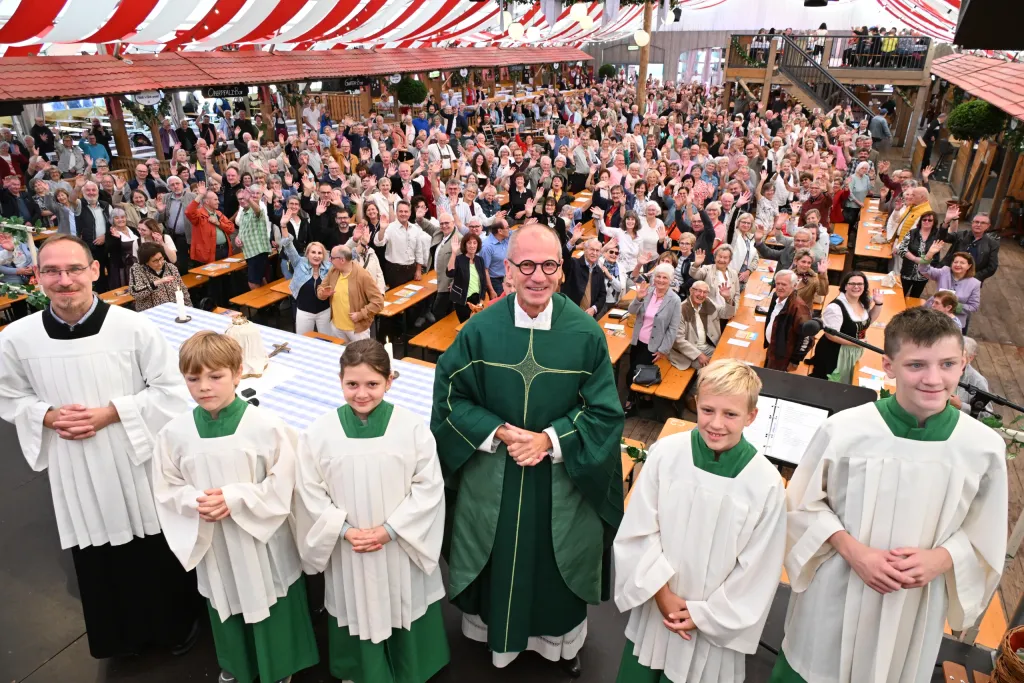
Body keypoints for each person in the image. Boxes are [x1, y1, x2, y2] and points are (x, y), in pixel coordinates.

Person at [770, 307, 1007, 683]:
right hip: (838, 583)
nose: (933, 379)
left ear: (963, 365)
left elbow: (986, 533)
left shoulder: (982, 447)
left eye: (947, 364)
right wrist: (854, 551)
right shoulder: (846, 431)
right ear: (888, 365)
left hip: (913, 601)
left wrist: (943, 558)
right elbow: (801, 506)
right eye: (916, 365)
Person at [430, 223, 625, 677]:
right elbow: (450, 397)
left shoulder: (586, 334)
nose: (539, 276)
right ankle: (493, 636)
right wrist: (497, 431)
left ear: (562, 270)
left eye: (549, 266)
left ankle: (558, 644)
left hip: (561, 478)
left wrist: (548, 440)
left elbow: (604, 413)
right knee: (495, 555)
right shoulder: (479, 330)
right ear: (509, 269)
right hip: (492, 474)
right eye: (527, 266)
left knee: (554, 566)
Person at [0, 234, 200, 659]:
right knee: (96, 551)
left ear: (94, 271)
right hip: (73, 462)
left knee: (150, 545)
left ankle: (172, 626)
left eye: (74, 269)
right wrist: (48, 416)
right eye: (52, 271)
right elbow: (8, 396)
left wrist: (112, 412)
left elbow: (170, 391)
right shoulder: (17, 338)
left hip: (132, 457)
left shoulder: (133, 327)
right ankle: (116, 638)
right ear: (37, 278)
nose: (64, 279)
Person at [153, 331, 319, 683]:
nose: (204, 387)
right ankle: (237, 664)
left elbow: (286, 483)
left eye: (216, 376)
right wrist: (195, 502)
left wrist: (233, 499)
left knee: (271, 592)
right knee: (223, 593)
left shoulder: (267, 427)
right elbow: (167, 487)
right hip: (215, 539)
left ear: (238, 373)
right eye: (193, 378)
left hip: (261, 537)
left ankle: (279, 667)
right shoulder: (174, 434)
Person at [614, 359, 786, 683]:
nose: (715, 423)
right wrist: (661, 593)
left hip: (712, 625)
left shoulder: (765, 483)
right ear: (696, 405)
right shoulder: (667, 453)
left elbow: (758, 568)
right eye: (707, 410)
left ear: (751, 416)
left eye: (730, 414)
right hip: (657, 608)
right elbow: (640, 528)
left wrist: (703, 615)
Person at [295, 339, 450, 683]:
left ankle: (411, 667)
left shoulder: (411, 429)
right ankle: (362, 669)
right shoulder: (319, 433)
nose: (361, 393)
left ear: (389, 381)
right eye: (352, 384)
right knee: (356, 604)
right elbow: (309, 490)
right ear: (339, 380)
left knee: (403, 598)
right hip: (349, 546)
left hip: (396, 544)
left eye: (372, 384)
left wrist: (389, 531)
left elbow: (429, 488)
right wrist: (345, 530)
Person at [808, 271, 884, 383]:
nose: (856, 287)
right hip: (835, 353)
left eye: (860, 284)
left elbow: (867, 322)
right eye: (852, 284)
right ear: (845, 286)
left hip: (853, 351)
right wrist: (857, 343)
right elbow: (831, 335)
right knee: (832, 382)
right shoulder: (835, 308)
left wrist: (878, 304)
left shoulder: (862, 302)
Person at [626, 264, 682, 412]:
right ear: (654, 278)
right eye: (658, 276)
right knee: (637, 372)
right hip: (637, 341)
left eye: (665, 277)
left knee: (633, 374)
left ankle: (630, 403)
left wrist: (664, 349)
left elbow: (673, 328)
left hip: (653, 346)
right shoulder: (647, 292)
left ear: (670, 280)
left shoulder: (674, 300)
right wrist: (638, 298)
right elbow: (631, 311)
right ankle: (643, 400)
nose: (661, 280)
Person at [316, 244, 385, 342]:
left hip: (357, 330)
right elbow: (320, 288)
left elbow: (378, 302)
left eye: (332, 258)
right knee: (340, 356)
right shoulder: (333, 271)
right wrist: (323, 294)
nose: (329, 260)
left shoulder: (363, 275)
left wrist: (361, 314)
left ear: (342, 260)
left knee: (361, 357)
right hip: (336, 328)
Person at [669, 279, 735, 370]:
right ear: (691, 290)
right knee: (714, 370)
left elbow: (727, 314)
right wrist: (699, 355)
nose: (701, 295)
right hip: (689, 353)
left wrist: (727, 299)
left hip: (707, 347)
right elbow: (678, 340)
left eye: (705, 292)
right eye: (699, 291)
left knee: (731, 362)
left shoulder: (707, 302)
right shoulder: (680, 309)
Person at [280, 228, 332, 335]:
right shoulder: (299, 263)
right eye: (313, 252)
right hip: (304, 312)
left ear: (323, 256)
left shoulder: (329, 267)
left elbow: (345, 256)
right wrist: (284, 226)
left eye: (319, 253)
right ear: (307, 254)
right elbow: (288, 245)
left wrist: (357, 241)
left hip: (325, 311)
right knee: (303, 340)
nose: (316, 256)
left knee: (327, 342)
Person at [919, 245, 981, 330]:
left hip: (952, 324)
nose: (957, 265)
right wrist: (929, 254)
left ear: (969, 266)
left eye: (962, 263)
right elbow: (924, 270)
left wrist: (950, 306)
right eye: (955, 262)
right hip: (931, 315)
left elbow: (973, 307)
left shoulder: (975, 283)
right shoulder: (944, 271)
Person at [763, 269, 813, 372]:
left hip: (783, 358)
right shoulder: (777, 297)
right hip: (773, 350)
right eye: (778, 283)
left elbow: (808, 338)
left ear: (794, 286)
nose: (780, 287)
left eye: (784, 284)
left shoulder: (799, 307)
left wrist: (795, 360)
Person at [128, 242, 190, 312]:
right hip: (150, 313)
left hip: (174, 310)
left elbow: (183, 291)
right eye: (155, 261)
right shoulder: (137, 270)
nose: (160, 263)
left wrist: (189, 309)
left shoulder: (170, 267)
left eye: (161, 258)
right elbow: (135, 293)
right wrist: (156, 283)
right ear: (146, 262)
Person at [940, 210, 999, 282]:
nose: (979, 224)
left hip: (972, 280)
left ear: (988, 226)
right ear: (972, 223)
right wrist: (946, 221)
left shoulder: (992, 243)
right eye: (976, 222)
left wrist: (974, 277)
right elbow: (942, 238)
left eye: (983, 223)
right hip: (949, 276)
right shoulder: (961, 235)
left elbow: (992, 267)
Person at [894, 210, 941, 297]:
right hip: (907, 270)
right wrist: (915, 259)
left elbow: (936, 256)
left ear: (934, 222)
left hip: (923, 274)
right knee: (900, 295)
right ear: (921, 221)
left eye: (930, 220)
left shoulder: (937, 236)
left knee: (915, 297)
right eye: (924, 219)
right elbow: (901, 249)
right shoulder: (912, 232)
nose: (926, 221)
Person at [447, 231, 489, 323]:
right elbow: (450, 273)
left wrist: (481, 301)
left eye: (474, 243)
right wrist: (454, 253)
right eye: (469, 243)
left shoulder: (480, 260)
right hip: (463, 301)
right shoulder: (458, 259)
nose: (472, 245)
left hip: (477, 300)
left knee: (478, 323)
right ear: (465, 245)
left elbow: (483, 282)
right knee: (466, 325)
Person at [563, 231, 608, 317]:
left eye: (597, 250)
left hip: (588, 317)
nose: (594, 253)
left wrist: (594, 309)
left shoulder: (599, 271)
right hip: (570, 314)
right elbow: (564, 255)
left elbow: (602, 295)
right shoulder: (573, 264)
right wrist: (572, 241)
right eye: (591, 249)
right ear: (585, 249)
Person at [952, 337, 993, 416]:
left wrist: (961, 406)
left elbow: (987, 416)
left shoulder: (977, 380)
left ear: (970, 358)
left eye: (960, 355)